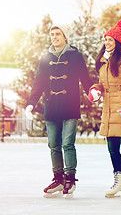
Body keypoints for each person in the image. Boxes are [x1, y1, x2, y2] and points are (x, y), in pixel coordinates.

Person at [25, 24, 93, 198]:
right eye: (52, 34)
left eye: (58, 34)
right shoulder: (45, 58)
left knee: (67, 144)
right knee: (53, 145)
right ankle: (58, 178)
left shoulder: (75, 56)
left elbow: (85, 79)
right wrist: (31, 103)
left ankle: (70, 178)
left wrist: (92, 93)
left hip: (70, 105)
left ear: (65, 37)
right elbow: (38, 82)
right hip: (52, 106)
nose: (54, 37)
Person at [88, 20, 121, 199]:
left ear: (118, 43)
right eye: (106, 39)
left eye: (111, 40)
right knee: (112, 148)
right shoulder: (103, 62)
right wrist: (96, 90)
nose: (107, 43)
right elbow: (103, 84)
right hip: (109, 109)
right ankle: (118, 180)